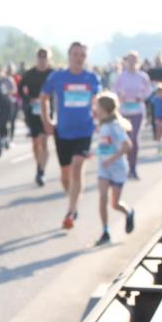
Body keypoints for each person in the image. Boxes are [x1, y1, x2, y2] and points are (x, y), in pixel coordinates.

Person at [40, 41, 101, 230]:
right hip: (63, 131)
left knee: (77, 166)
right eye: (75, 54)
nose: (78, 58)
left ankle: (71, 211)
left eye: (82, 55)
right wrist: (47, 120)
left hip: (84, 131)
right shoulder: (57, 77)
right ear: (69, 56)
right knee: (66, 175)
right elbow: (44, 98)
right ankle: (73, 199)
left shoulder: (92, 78)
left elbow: (96, 102)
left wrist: (100, 122)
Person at [93, 92, 135, 245]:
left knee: (114, 204)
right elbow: (104, 145)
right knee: (102, 197)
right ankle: (105, 232)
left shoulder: (115, 126)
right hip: (104, 169)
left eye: (97, 106)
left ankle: (129, 212)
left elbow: (127, 146)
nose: (95, 108)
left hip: (117, 168)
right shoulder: (101, 124)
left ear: (104, 108)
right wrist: (94, 153)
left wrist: (111, 159)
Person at [112, 51, 153, 180]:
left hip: (137, 110)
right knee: (125, 139)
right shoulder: (121, 76)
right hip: (124, 111)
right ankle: (123, 166)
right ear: (126, 61)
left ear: (137, 61)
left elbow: (149, 90)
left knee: (134, 139)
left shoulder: (142, 76)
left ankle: (133, 168)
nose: (131, 62)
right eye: (129, 59)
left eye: (134, 59)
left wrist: (141, 97)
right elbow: (114, 90)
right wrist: (119, 96)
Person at [19, 48, 54, 186]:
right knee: (35, 143)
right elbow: (20, 89)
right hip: (33, 112)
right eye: (40, 58)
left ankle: (41, 171)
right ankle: (39, 165)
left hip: (47, 111)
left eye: (45, 58)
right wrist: (29, 99)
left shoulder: (52, 74)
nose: (42, 60)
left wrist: (50, 100)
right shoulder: (29, 74)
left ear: (49, 59)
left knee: (44, 141)